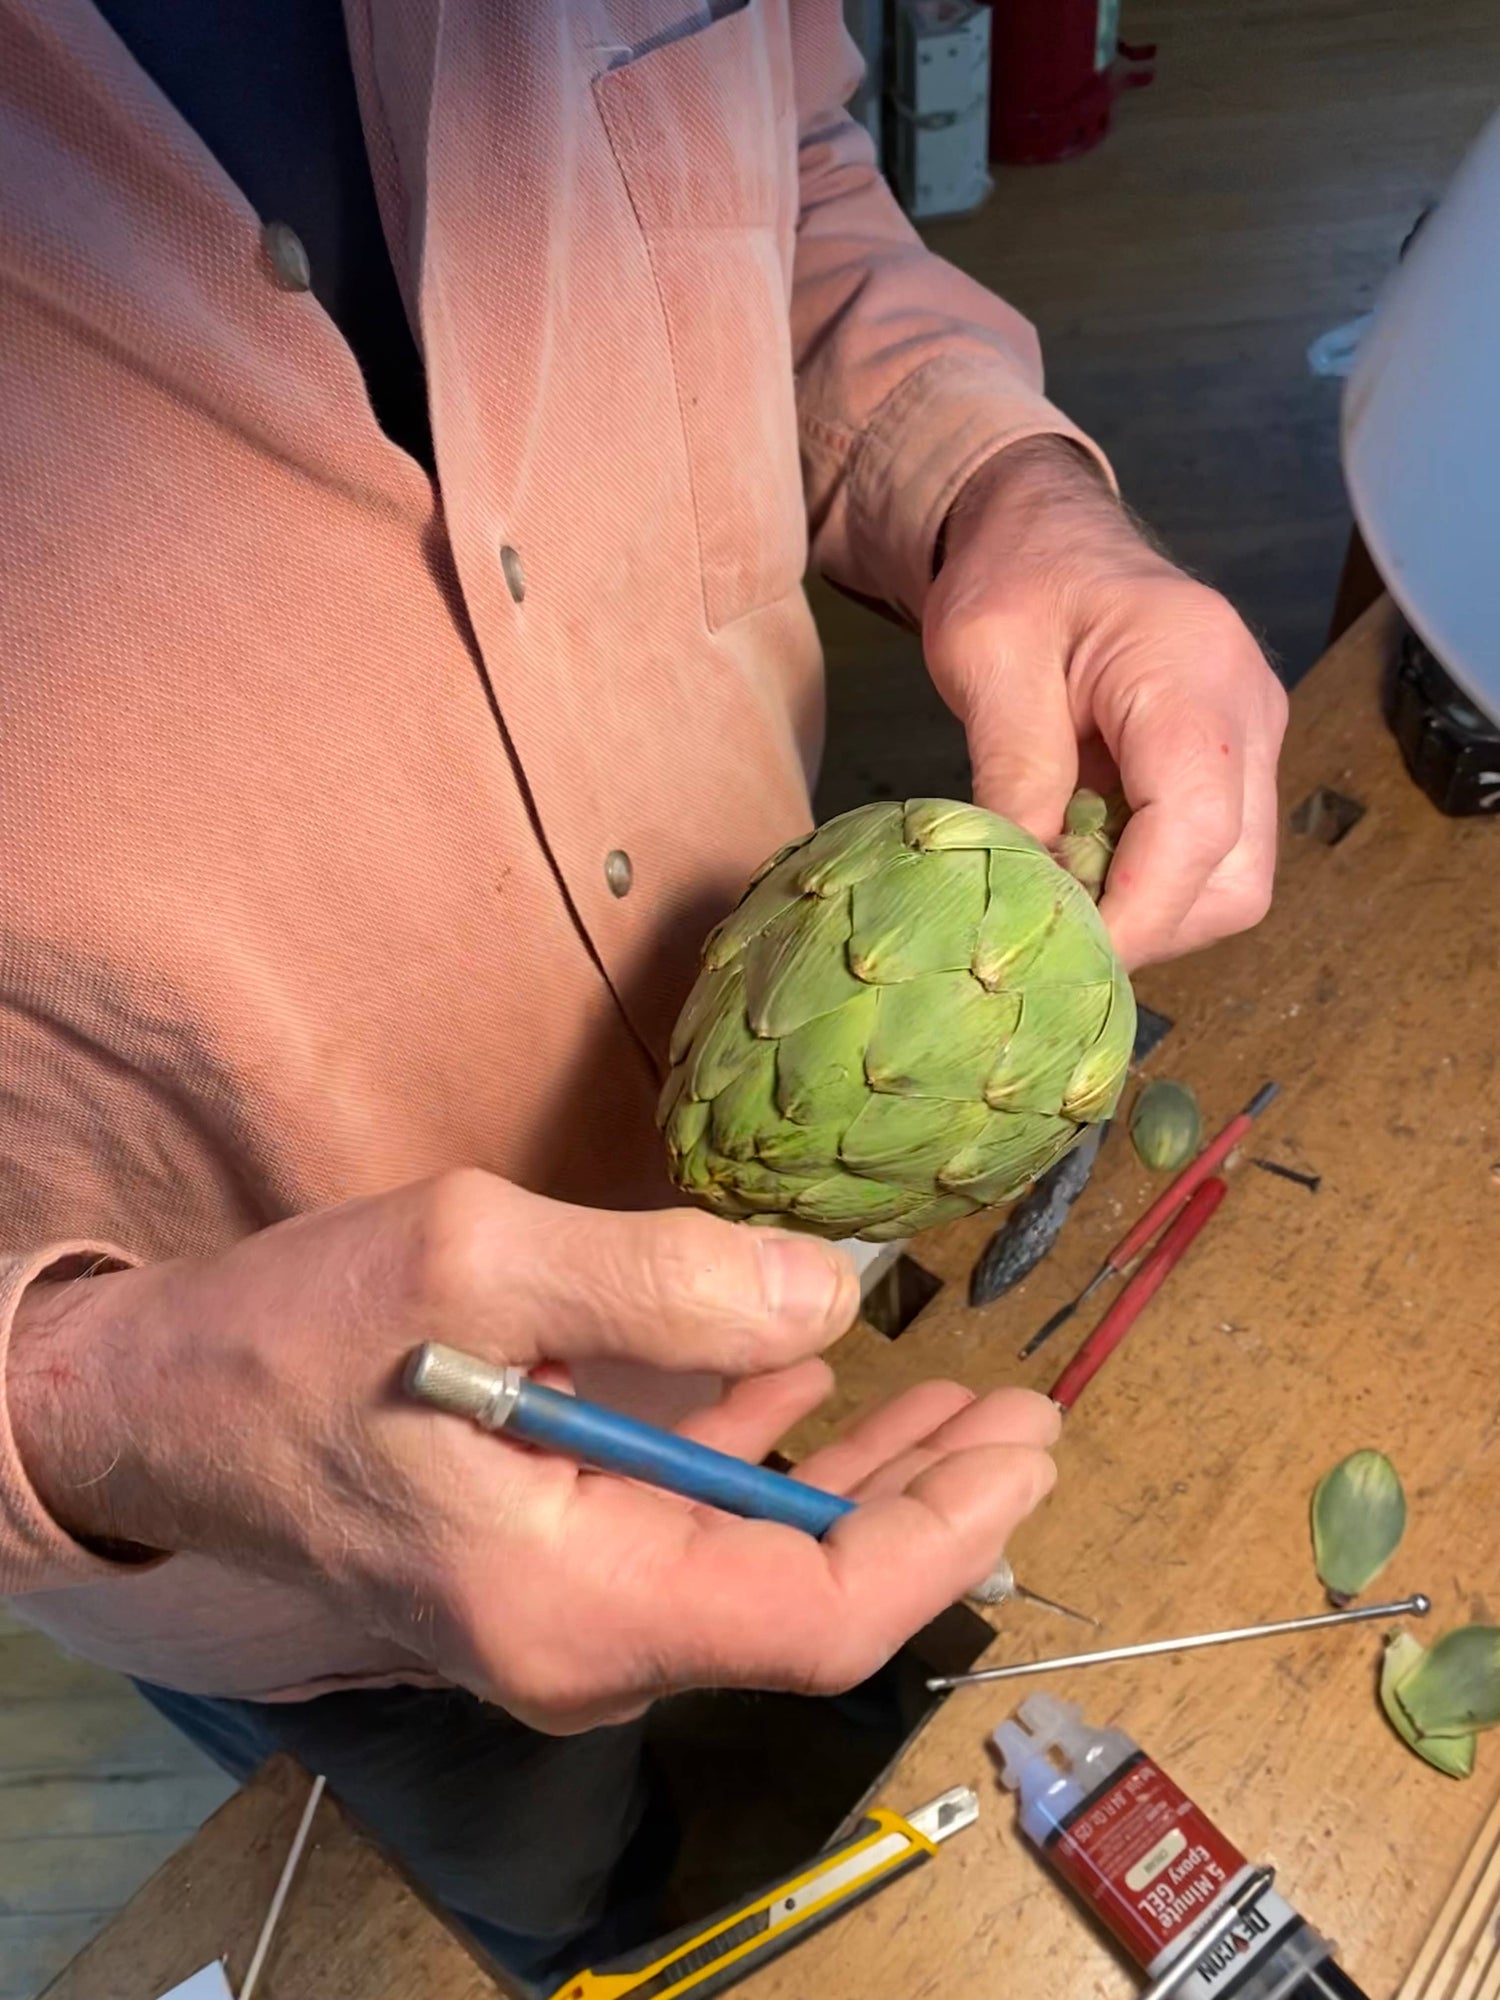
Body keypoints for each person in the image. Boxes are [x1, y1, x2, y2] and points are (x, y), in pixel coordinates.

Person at [0, 0, 1288, 1984]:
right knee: (548, 1883)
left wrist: (1005, 481)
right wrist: (100, 1403)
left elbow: (789, 172)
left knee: (857, 1695)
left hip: (811, 1303)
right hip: (304, 1571)